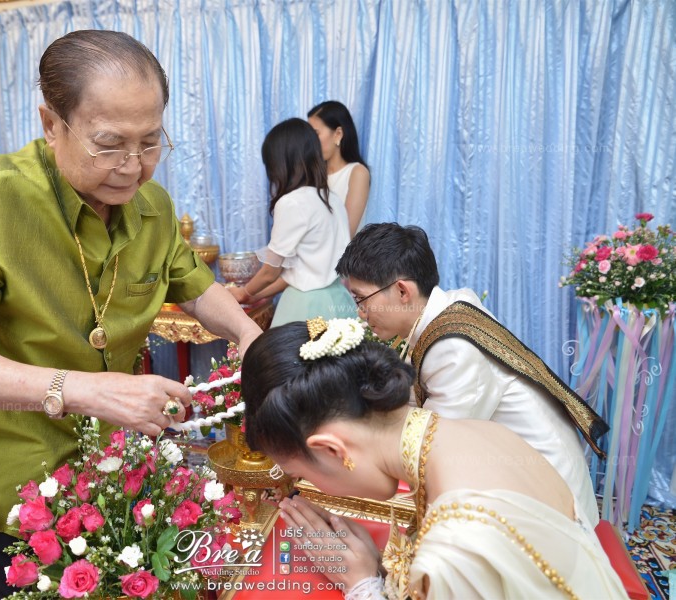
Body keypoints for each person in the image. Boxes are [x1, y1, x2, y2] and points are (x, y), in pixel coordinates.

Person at [0, 30, 262, 599]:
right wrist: (88, 390)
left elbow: (191, 283)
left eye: (150, 142)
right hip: (8, 461)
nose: (133, 166)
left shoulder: (153, 205)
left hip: (110, 457)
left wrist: (245, 331)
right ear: (52, 124)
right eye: (109, 143)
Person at [242, 319, 626, 599]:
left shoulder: (459, 542)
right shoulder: (479, 433)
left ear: (332, 450)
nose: (311, 488)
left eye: (298, 474)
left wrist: (362, 585)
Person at [335, 223, 606, 529]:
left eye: (361, 299)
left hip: (551, 509)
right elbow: (411, 401)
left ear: (401, 291)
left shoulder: (452, 347)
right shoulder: (445, 312)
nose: (360, 312)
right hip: (518, 477)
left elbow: (429, 450)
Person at [227, 118, 356, 326]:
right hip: (338, 299)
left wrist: (243, 293)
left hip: (306, 308)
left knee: (296, 357)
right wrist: (255, 294)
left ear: (280, 161)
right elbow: (296, 273)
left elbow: (271, 272)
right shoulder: (332, 199)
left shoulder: (292, 203)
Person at [307, 100, 370, 236]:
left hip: (343, 256)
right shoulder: (312, 173)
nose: (310, 142)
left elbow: (345, 232)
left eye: (316, 134)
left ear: (338, 134)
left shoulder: (357, 173)